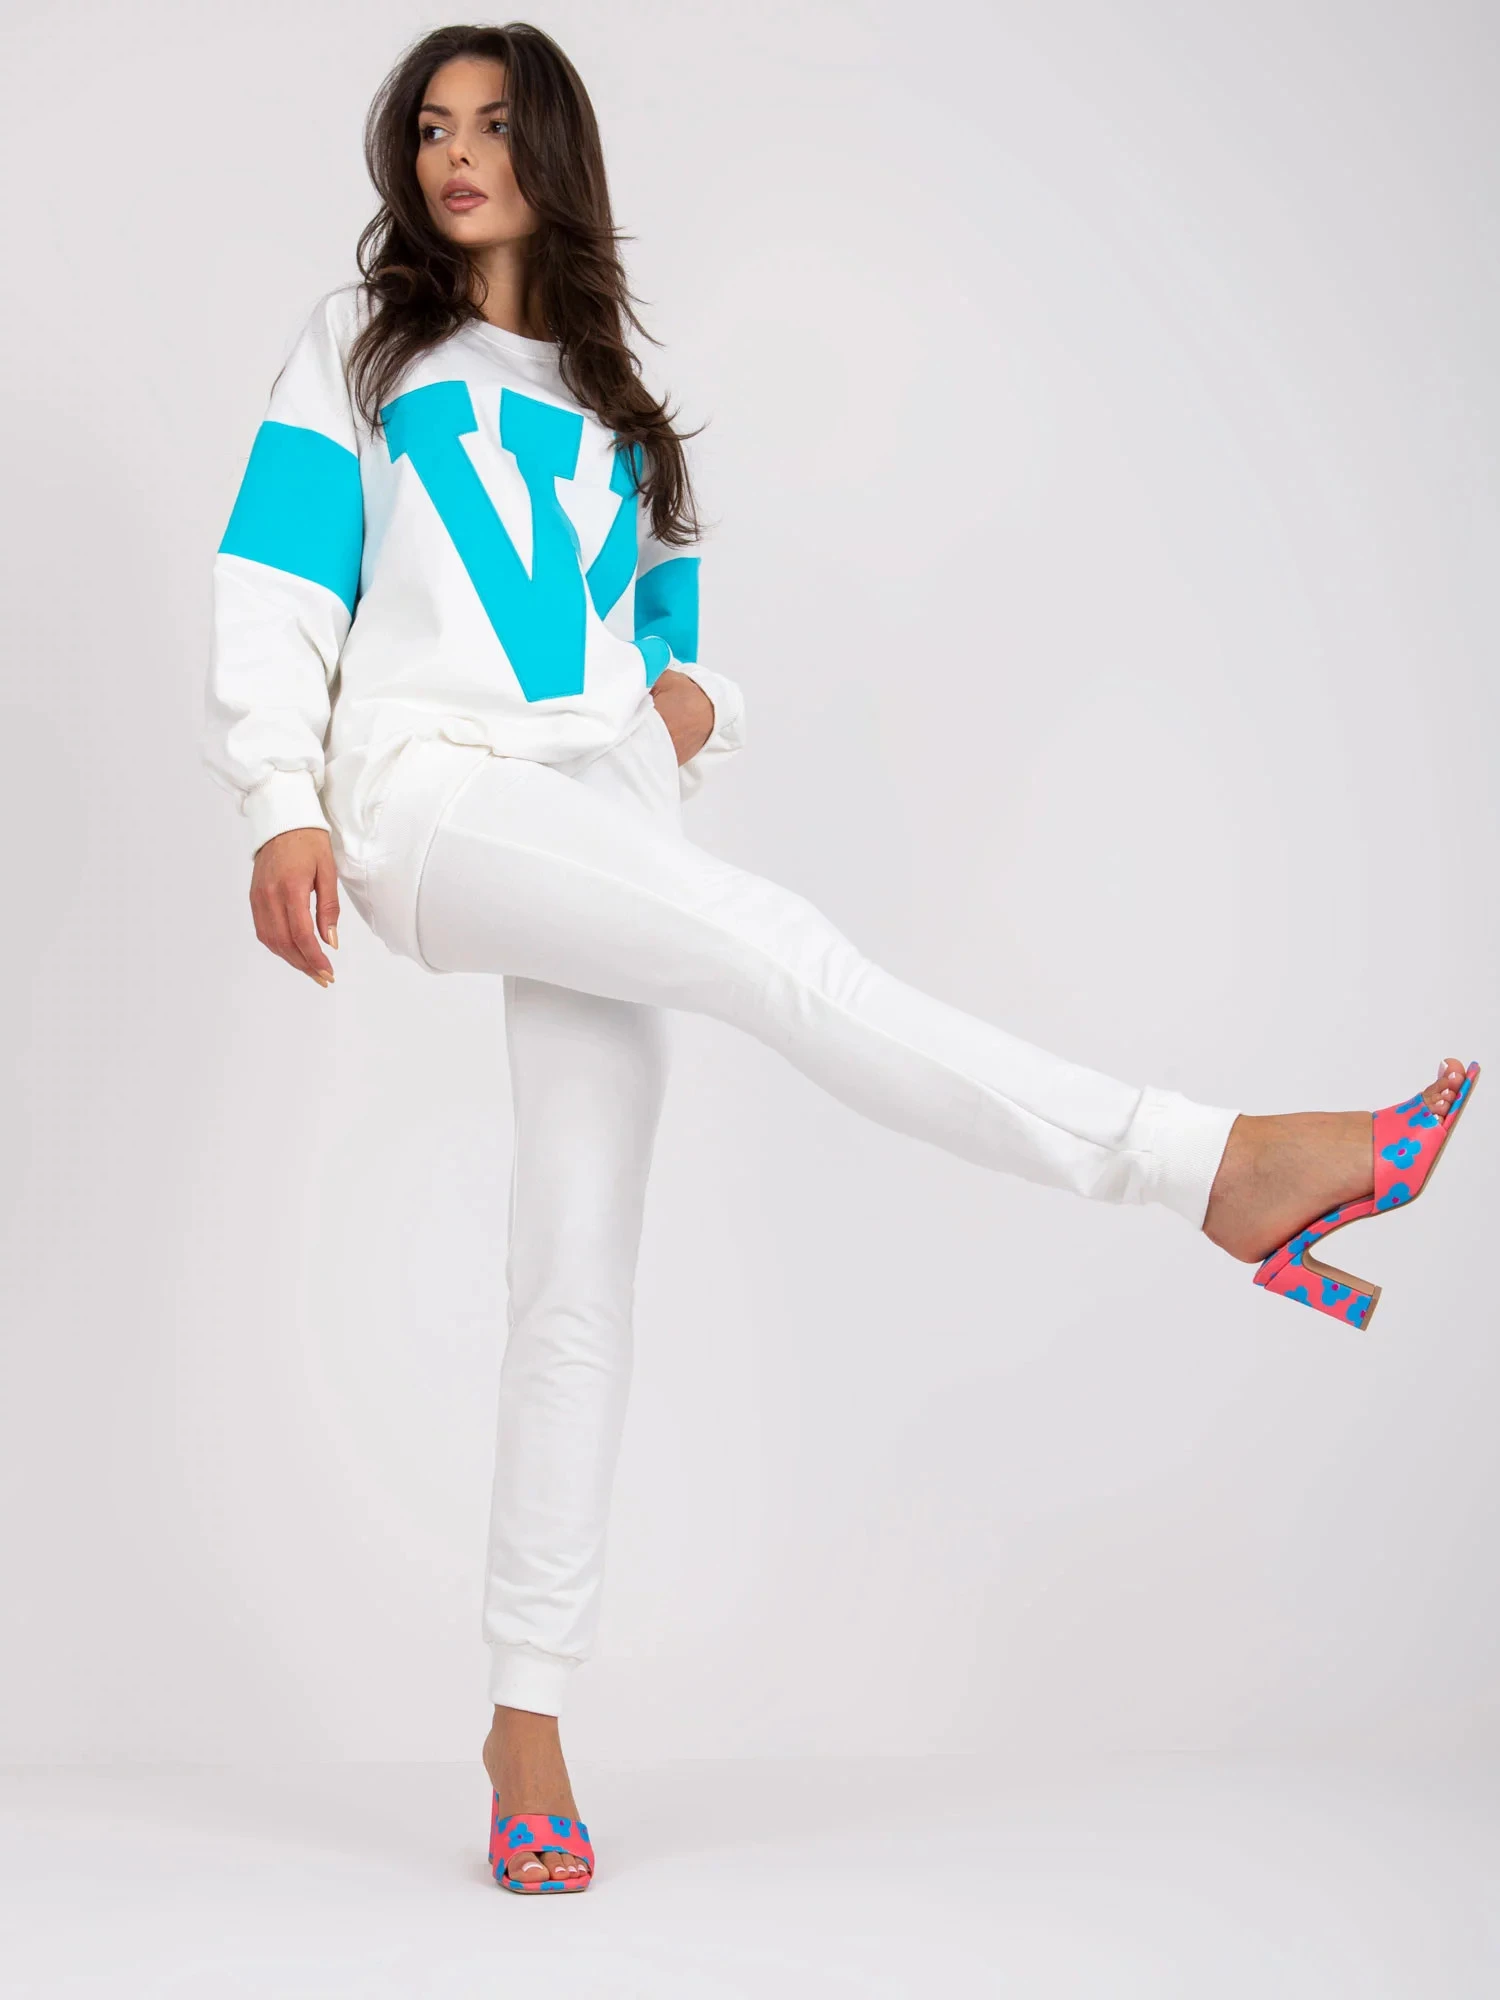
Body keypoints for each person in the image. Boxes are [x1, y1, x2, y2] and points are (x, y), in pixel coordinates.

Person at [202, 21, 1479, 1895]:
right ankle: (1210, 1167)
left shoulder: (626, 410)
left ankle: (526, 1720)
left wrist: (692, 709)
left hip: (602, 806)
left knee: (580, 1261)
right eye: (432, 128)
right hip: (433, 792)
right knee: (782, 954)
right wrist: (276, 798)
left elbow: (667, 635)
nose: (455, 156)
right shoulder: (364, 346)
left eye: (493, 125)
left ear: (556, 152)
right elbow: (277, 572)